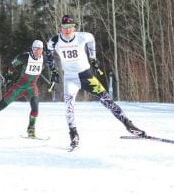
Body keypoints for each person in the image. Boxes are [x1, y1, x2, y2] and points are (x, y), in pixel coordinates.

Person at [46, 15, 146, 148]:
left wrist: (93, 58)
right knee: (69, 106)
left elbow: (92, 39)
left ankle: (129, 125)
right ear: (61, 28)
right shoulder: (55, 41)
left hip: (86, 76)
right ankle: (73, 135)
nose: (68, 30)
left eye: (70, 27)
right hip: (70, 78)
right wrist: (53, 71)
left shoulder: (82, 36)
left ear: (75, 27)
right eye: (65, 27)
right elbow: (48, 53)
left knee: (106, 100)